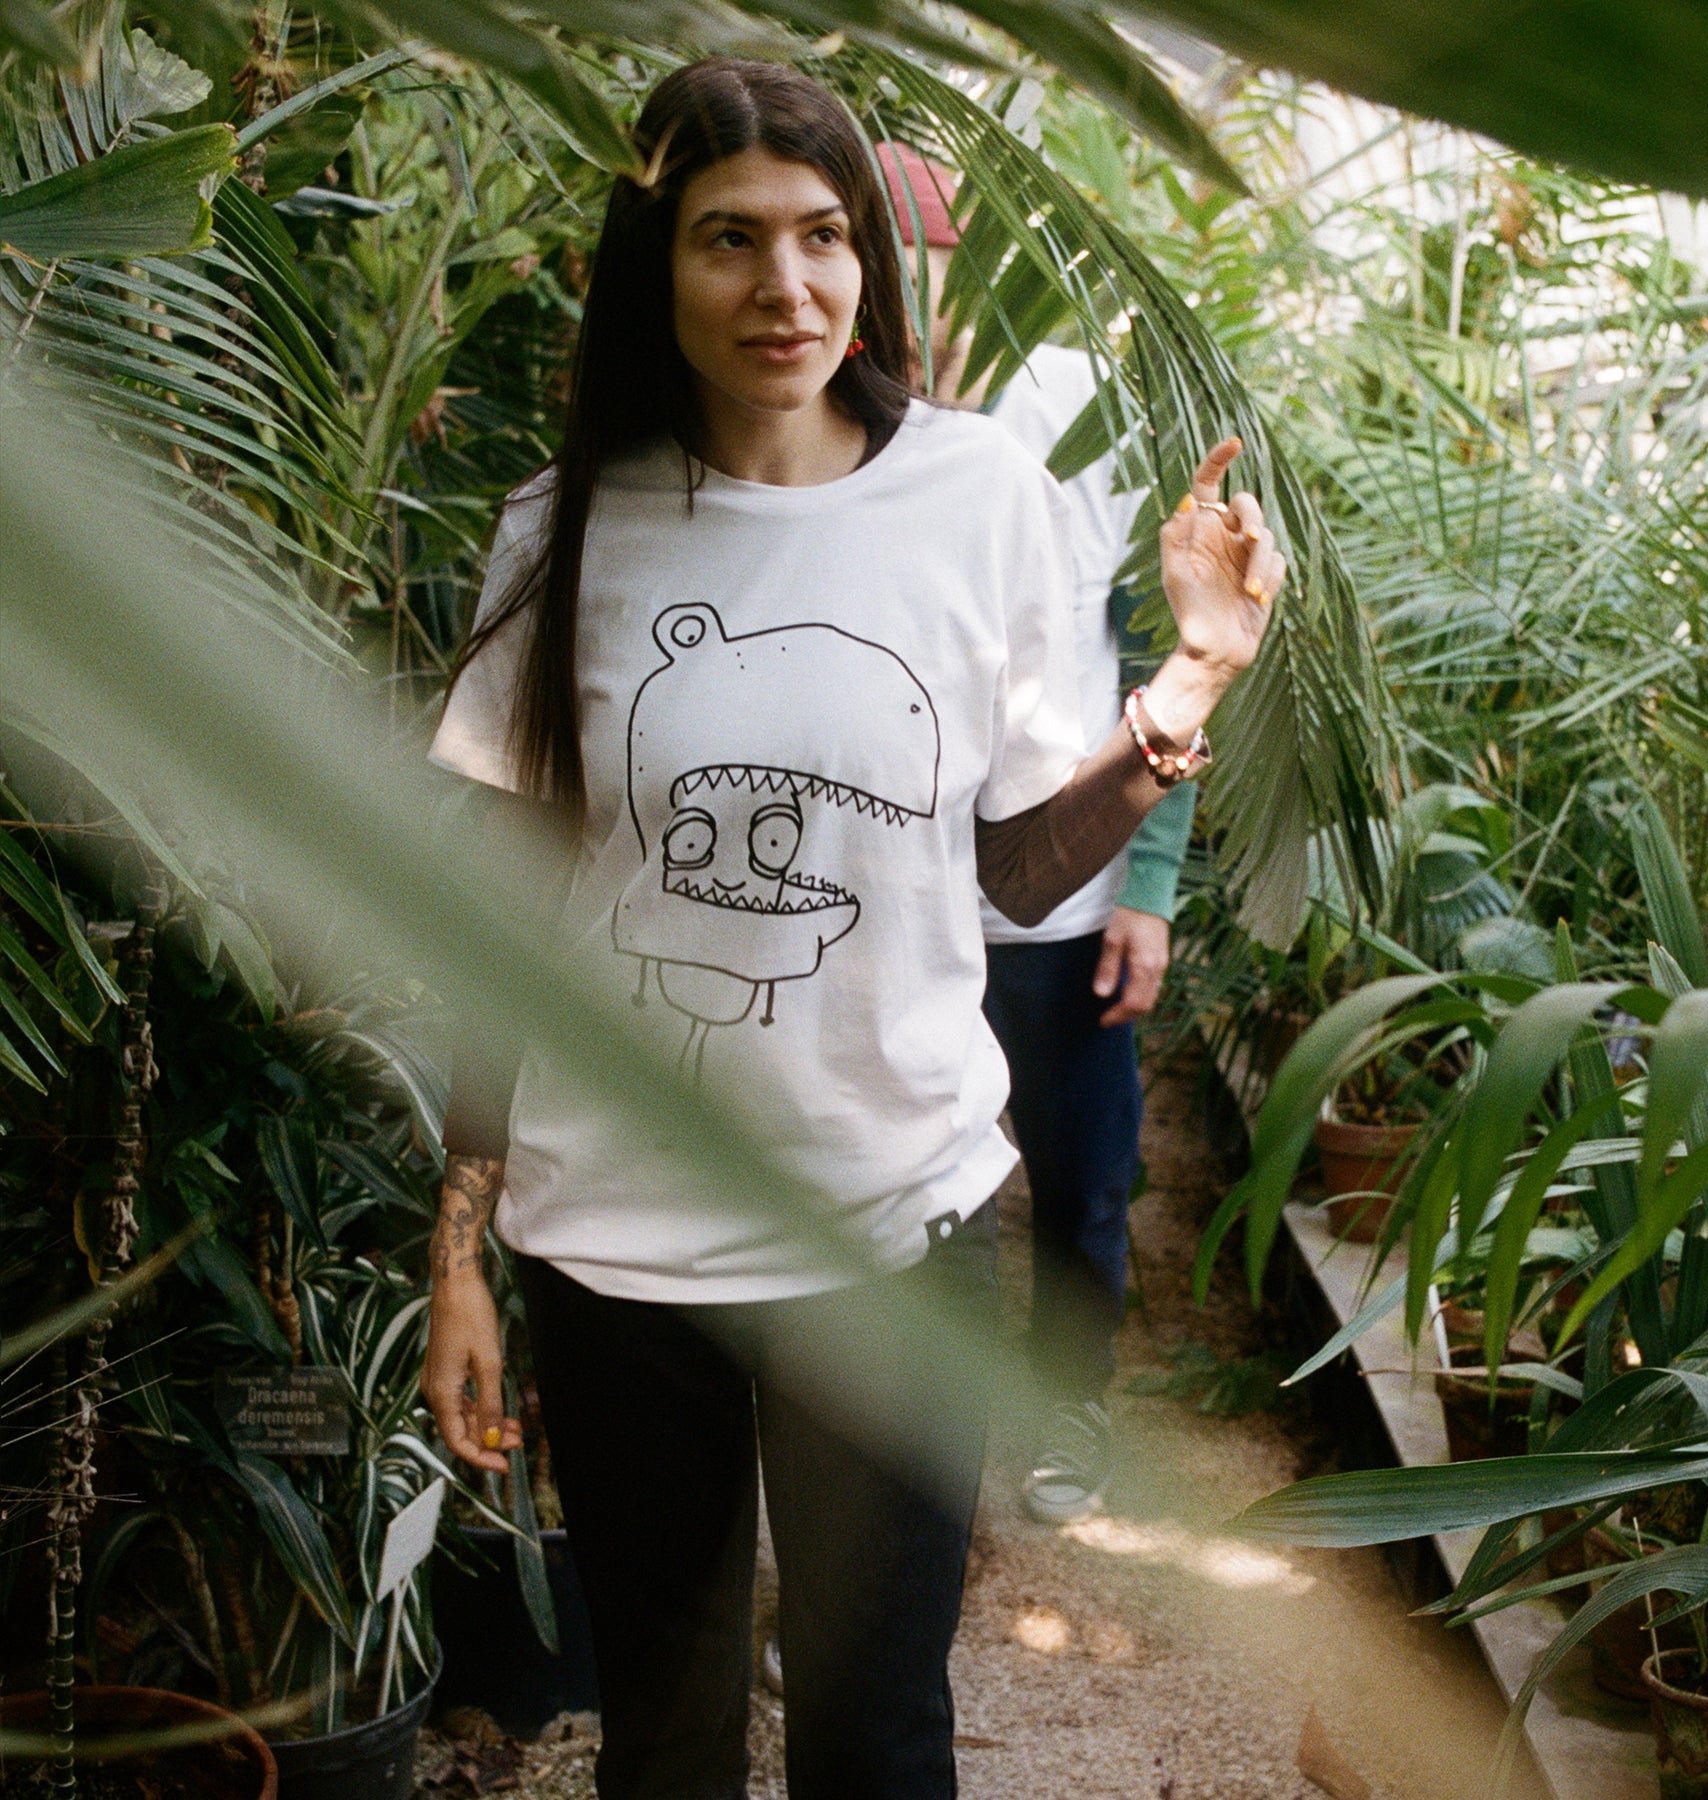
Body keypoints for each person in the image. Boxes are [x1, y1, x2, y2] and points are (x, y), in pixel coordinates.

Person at [421, 59, 1282, 1800]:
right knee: (663, 1746)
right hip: (620, 1251)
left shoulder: (978, 498)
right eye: (729, 238)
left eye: (823, 236)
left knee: (877, 1739)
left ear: (869, 262)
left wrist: (1189, 681)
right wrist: (459, 1248)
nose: (787, 286)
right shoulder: (564, 527)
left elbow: (1017, 876)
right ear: (659, 265)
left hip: (893, 1224)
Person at [880, 143, 1193, 1523]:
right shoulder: (822, 408)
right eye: (893, 271)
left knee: (1081, 1176)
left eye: (943, 272)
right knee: (903, 1185)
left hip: (1066, 887)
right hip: (889, 896)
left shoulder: (1075, 407)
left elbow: (1178, 637)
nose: (919, 304)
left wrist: (1153, 884)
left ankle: (1071, 1404)